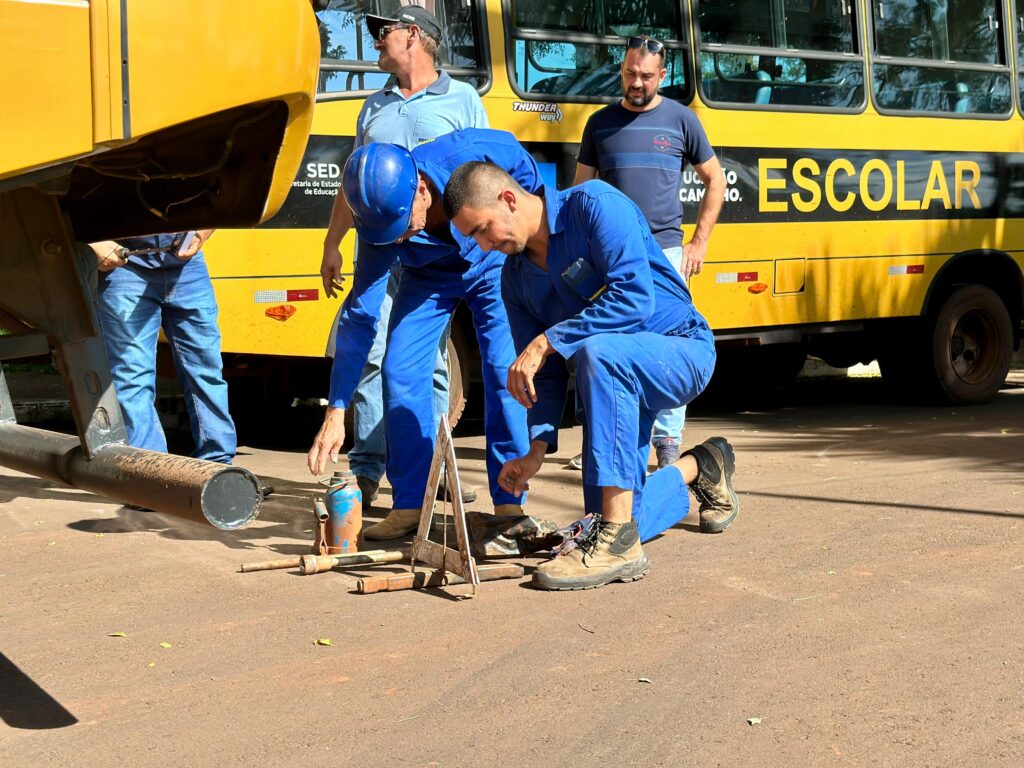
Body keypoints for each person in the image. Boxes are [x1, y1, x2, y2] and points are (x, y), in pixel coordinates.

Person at [443, 162, 740, 591]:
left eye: (482, 230)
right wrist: (536, 452)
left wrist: (547, 340)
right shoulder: (515, 278)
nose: (484, 246)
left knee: (599, 351)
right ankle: (700, 467)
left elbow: (634, 299)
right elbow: (539, 376)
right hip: (614, 378)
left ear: (508, 200)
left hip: (679, 350)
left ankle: (618, 544)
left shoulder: (594, 206)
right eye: (474, 238)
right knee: (601, 512)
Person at [308, 128, 538, 540]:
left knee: (505, 370)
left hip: (493, 265)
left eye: (403, 226)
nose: (398, 237)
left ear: (420, 189)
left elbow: (530, 187)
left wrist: (532, 252)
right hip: (427, 277)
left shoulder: (468, 155)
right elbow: (360, 318)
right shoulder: (382, 222)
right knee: (399, 369)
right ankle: (411, 503)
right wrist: (336, 408)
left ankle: (509, 503)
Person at [318, 4, 488, 509]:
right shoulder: (373, 107)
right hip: (378, 251)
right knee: (370, 354)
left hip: (432, 257)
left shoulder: (461, 101)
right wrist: (333, 241)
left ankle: (433, 469)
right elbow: (355, 183)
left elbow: (483, 177)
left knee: (428, 363)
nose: (373, 40)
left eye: (381, 31)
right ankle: (367, 471)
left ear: (413, 36)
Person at [572, 34, 726, 469]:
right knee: (609, 341)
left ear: (662, 75)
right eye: (629, 74)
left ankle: (668, 442)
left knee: (667, 343)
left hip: (665, 253)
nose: (635, 82)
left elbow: (715, 179)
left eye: (644, 76)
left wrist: (700, 241)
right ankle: (610, 435)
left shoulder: (682, 120)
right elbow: (582, 192)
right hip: (609, 256)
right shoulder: (599, 123)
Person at [89, 232, 237, 465]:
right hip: (124, 265)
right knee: (131, 375)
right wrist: (92, 244)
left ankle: (218, 465)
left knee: (206, 370)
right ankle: (150, 470)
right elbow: (55, 203)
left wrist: (201, 234)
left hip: (187, 265)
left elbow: (221, 198)